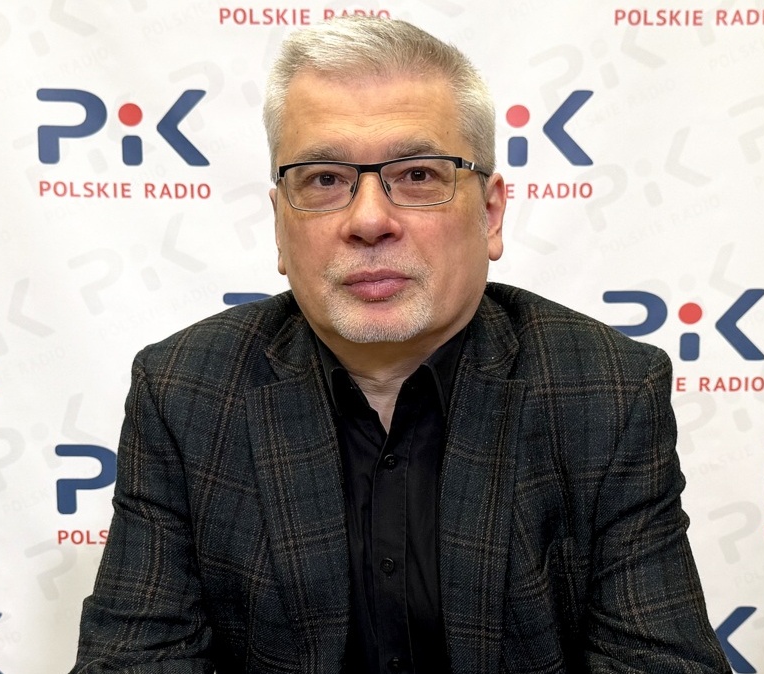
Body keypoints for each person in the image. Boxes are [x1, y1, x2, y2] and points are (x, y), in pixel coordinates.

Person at [70, 16, 730, 674]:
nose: (368, 220)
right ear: (279, 224)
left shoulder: (609, 392)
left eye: (417, 175)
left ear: (490, 213)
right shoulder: (185, 391)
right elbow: (135, 662)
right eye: (324, 180)